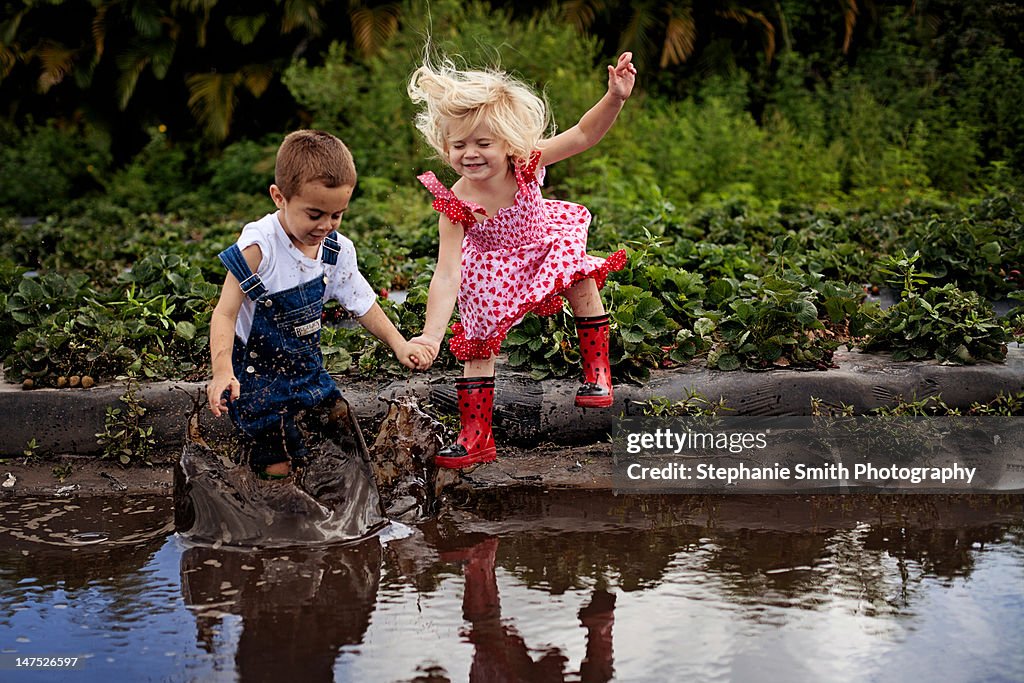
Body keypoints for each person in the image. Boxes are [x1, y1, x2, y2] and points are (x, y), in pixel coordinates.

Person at [406, 52, 637, 469]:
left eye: (482, 144)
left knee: (579, 274)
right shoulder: (455, 202)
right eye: (459, 145)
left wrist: (615, 98)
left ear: (507, 143)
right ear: (445, 148)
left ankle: (597, 372)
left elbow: (584, 134)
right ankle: (476, 436)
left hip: (541, 243)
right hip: (493, 269)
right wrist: (430, 335)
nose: (470, 154)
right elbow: (446, 272)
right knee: (478, 341)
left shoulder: (525, 163)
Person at [206, 129, 429, 479]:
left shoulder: (335, 251)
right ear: (280, 197)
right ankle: (275, 510)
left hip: (307, 372)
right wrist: (222, 371)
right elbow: (225, 313)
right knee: (276, 463)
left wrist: (399, 343)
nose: (325, 225)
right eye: (314, 215)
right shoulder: (259, 248)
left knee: (342, 440)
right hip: (257, 379)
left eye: (337, 215)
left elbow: (362, 302)